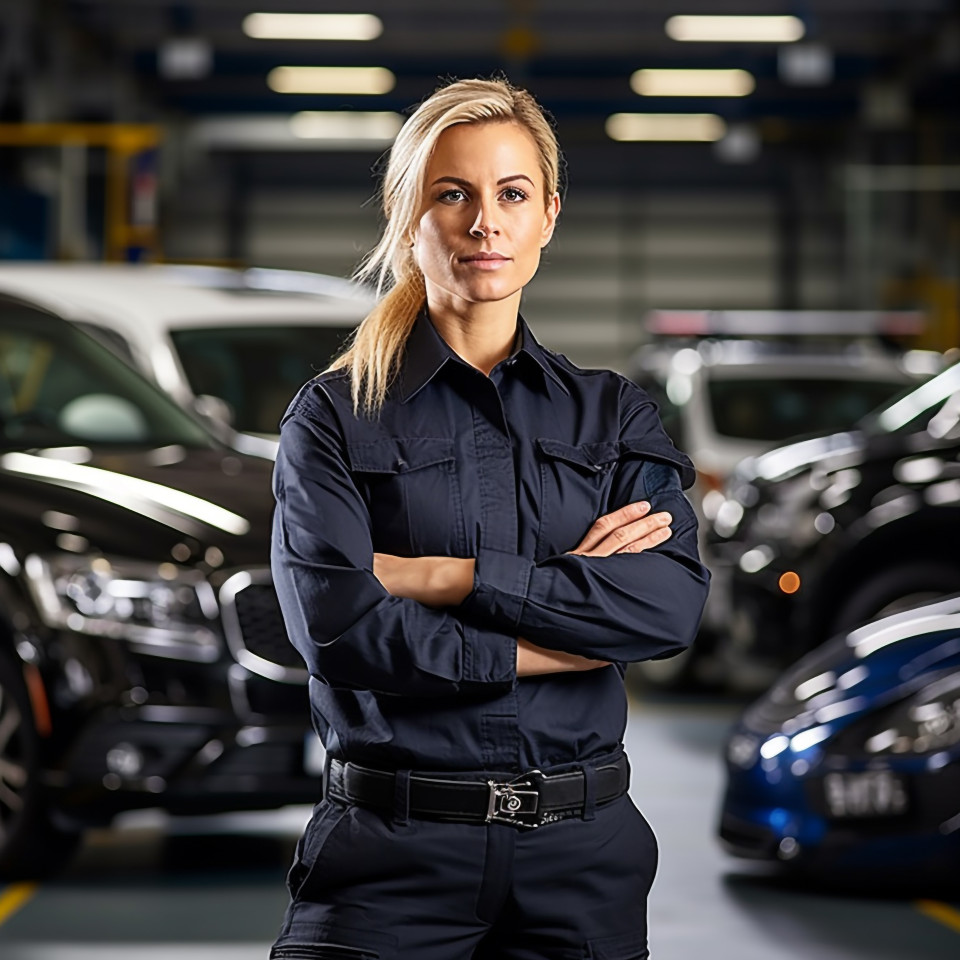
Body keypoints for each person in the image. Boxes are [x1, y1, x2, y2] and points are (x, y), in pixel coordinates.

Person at [269, 77, 710, 960]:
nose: (484, 222)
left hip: (582, 866)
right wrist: (573, 629)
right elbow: (340, 631)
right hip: (389, 862)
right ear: (407, 215)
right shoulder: (334, 416)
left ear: (547, 214)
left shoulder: (612, 416)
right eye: (452, 193)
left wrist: (445, 577)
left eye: (511, 194)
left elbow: (664, 609)